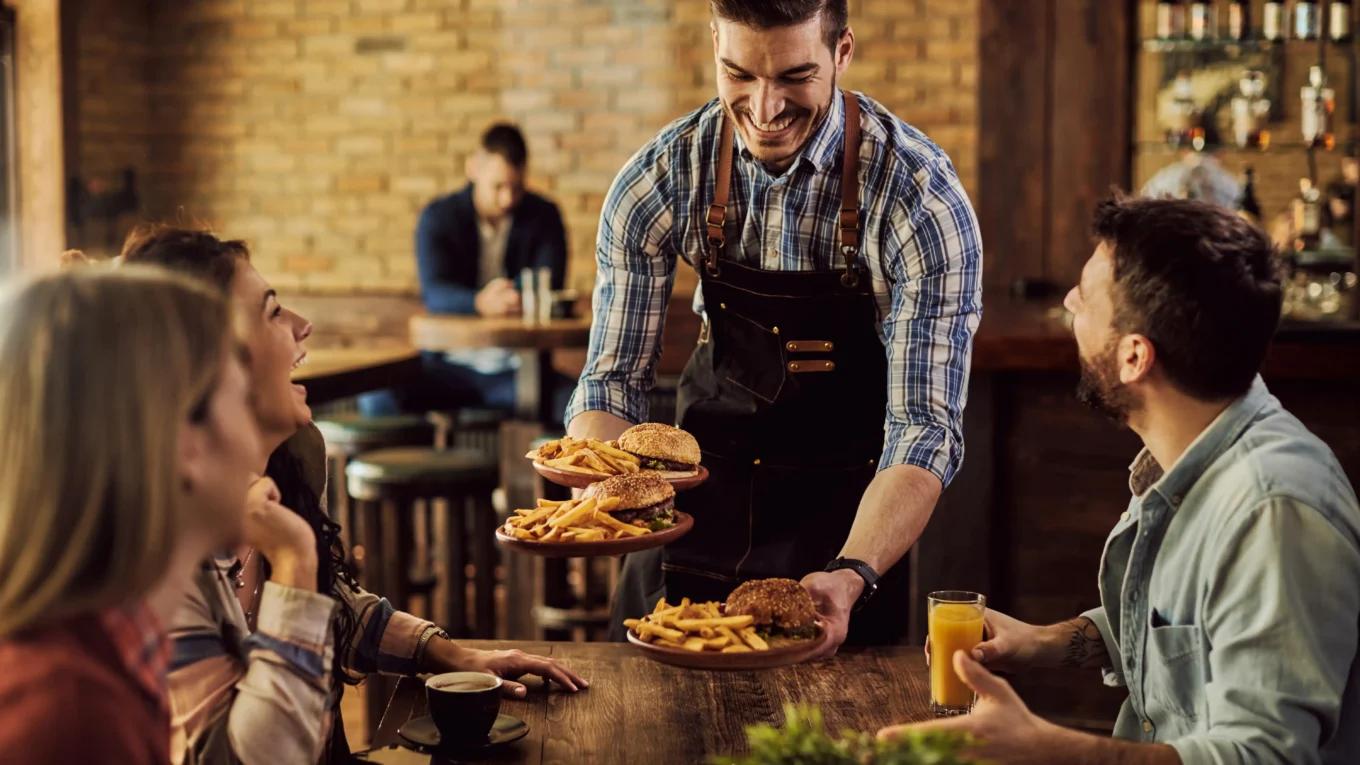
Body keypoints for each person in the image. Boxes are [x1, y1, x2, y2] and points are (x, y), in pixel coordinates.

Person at [881, 196, 1360, 764]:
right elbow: (1183, 627)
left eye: (1085, 296)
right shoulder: (1192, 454)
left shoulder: (1273, 513)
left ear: (1134, 356)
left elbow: (1266, 755)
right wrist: (1041, 642)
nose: (1069, 302)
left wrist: (1049, 750)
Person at [568, 0, 983, 652]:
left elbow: (923, 430)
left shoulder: (918, 198)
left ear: (842, 52)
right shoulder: (662, 176)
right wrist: (606, 488)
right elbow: (611, 383)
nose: (765, 108)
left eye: (795, 76)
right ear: (715, 45)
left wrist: (852, 572)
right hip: (686, 525)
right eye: (739, 75)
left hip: (844, 539)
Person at [114, 227, 586, 765]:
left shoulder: (292, 461)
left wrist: (452, 655)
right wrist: (294, 561)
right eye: (273, 312)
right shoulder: (155, 561)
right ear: (208, 363)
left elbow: (334, 606)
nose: (302, 325)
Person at [0, 267, 259, 764]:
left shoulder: (102, 661)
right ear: (185, 442)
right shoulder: (71, 721)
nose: (255, 443)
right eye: (245, 400)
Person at [359, 123, 574, 423]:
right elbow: (435, 292)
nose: (507, 199)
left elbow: (549, 285)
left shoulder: (544, 215)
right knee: (377, 399)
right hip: (448, 367)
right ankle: (430, 453)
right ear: (473, 169)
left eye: (516, 187)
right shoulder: (438, 216)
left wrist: (513, 299)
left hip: (519, 370)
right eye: (498, 187)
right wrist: (480, 303)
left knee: (580, 406)